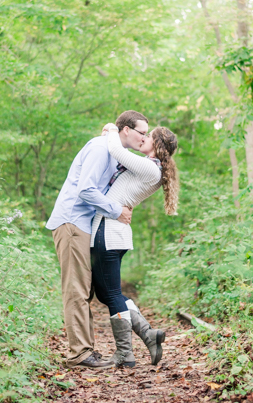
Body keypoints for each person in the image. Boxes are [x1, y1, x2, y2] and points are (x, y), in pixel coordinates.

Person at [45, 110, 149, 369]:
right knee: (76, 290)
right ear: (125, 129)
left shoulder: (114, 152)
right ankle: (79, 354)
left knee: (85, 290)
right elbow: (86, 189)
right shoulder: (100, 148)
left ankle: (85, 350)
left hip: (84, 225)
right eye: (141, 132)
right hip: (72, 222)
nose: (143, 138)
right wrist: (117, 211)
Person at [91, 121, 179, 367]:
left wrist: (111, 129)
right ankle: (148, 334)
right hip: (110, 230)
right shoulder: (149, 167)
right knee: (106, 292)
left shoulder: (152, 168)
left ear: (157, 144)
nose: (143, 139)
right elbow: (123, 156)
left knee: (111, 293)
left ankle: (125, 353)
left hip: (109, 231)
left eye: (148, 136)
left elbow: (118, 151)